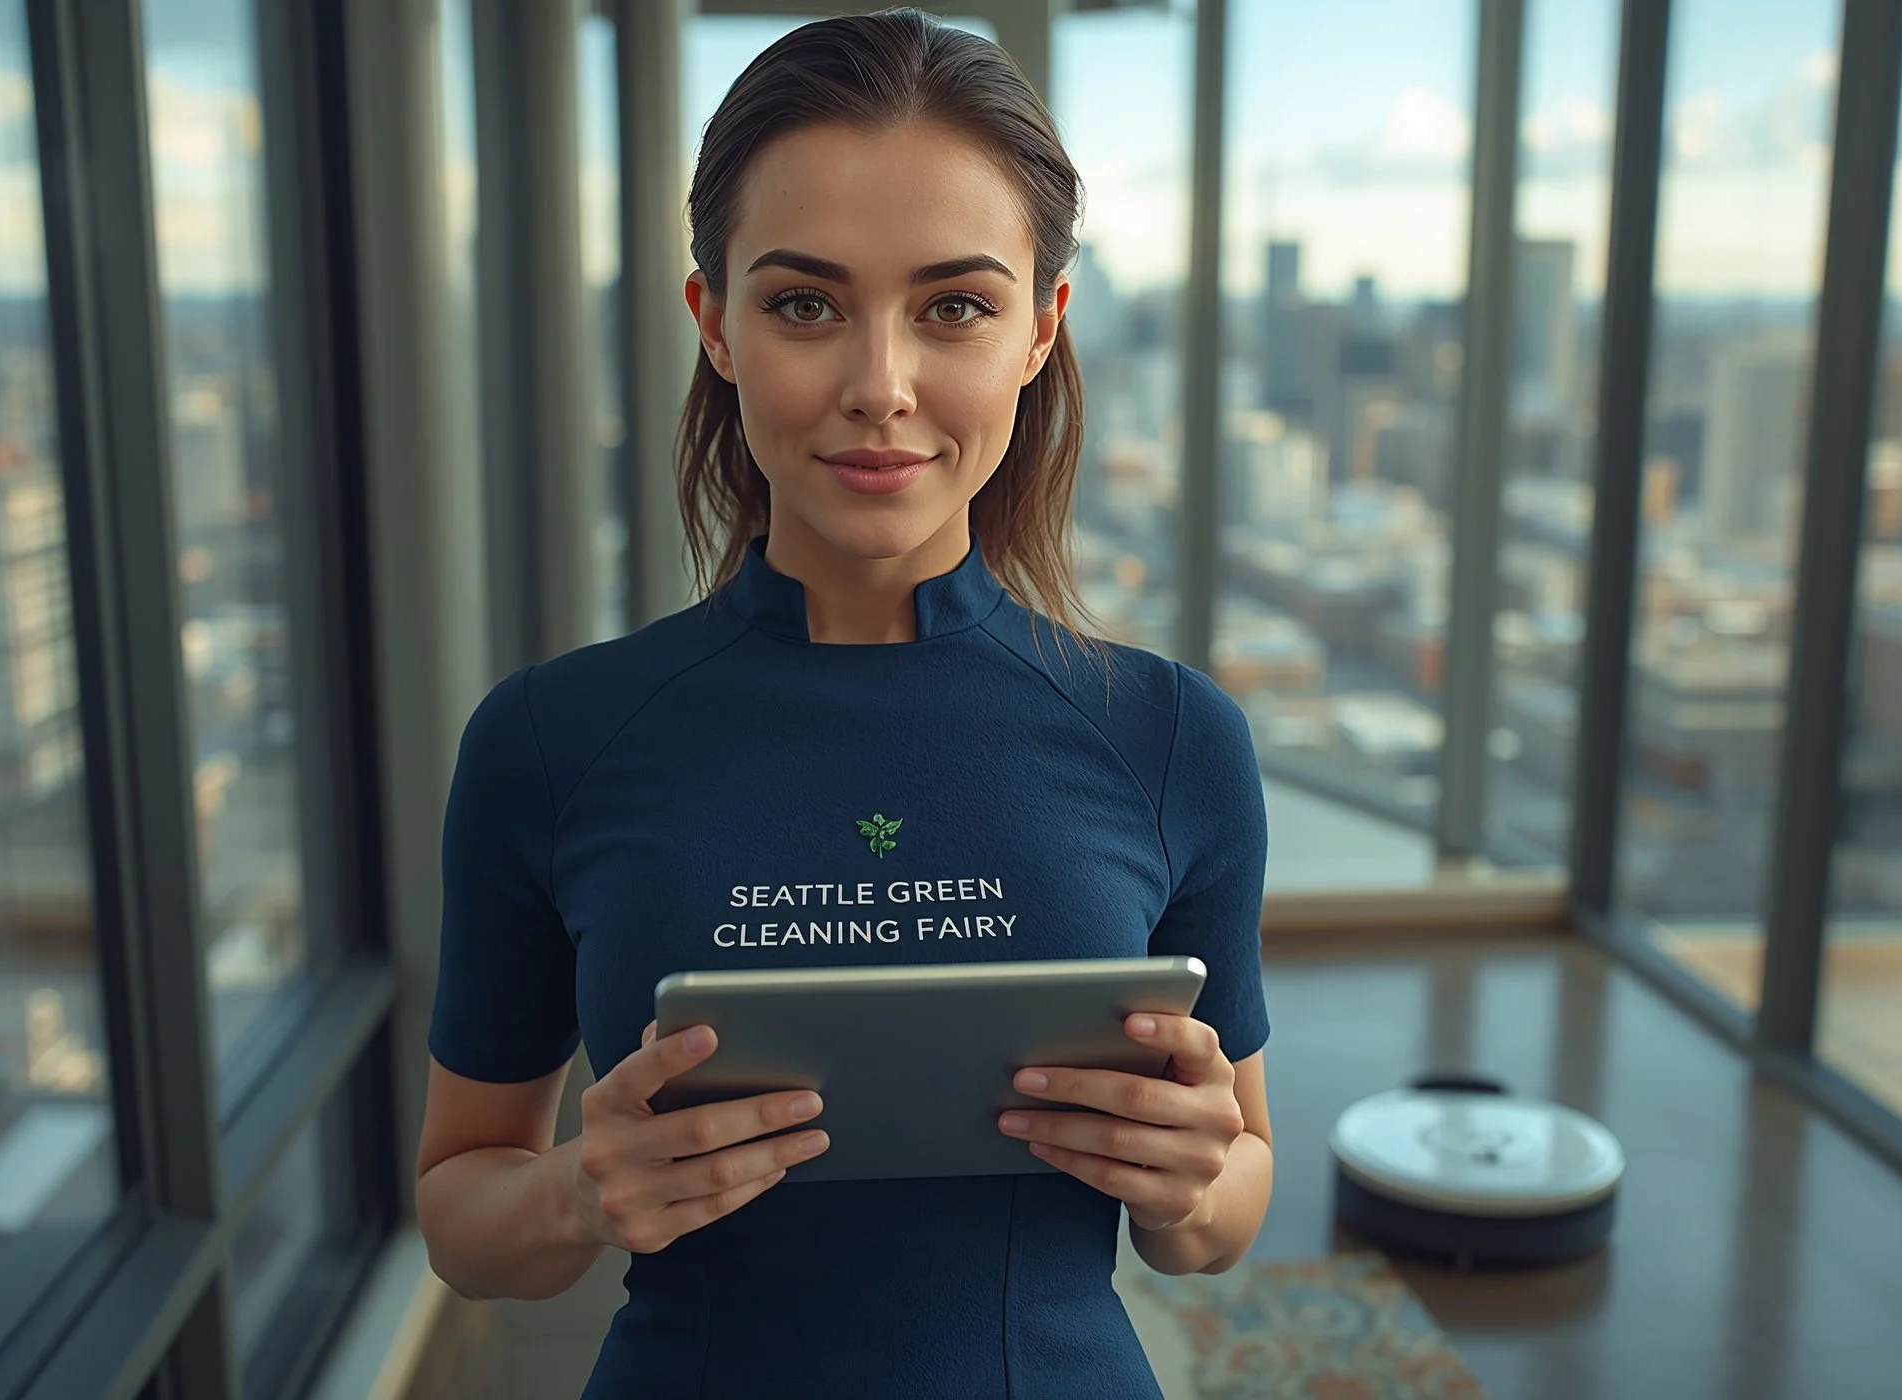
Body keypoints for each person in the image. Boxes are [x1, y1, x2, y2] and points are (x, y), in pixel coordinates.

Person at [412, 10, 1272, 1396]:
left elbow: (1228, 1206)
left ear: (1041, 331)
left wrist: (1188, 1185)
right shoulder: (549, 741)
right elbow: (466, 1210)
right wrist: (579, 1193)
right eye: (806, 304)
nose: (881, 388)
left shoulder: (1169, 736)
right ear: (718, 326)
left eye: (956, 307)